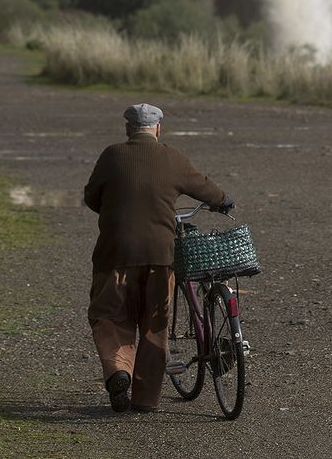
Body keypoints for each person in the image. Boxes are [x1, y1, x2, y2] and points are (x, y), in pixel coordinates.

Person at [83, 102, 232, 413]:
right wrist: (222, 201)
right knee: (154, 325)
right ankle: (145, 399)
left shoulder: (112, 155)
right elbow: (204, 187)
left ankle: (118, 371)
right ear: (158, 129)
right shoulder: (172, 157)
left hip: (115, 254)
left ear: (128, 129)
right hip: (160, 256)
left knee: (109, 316)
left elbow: (92, 197)